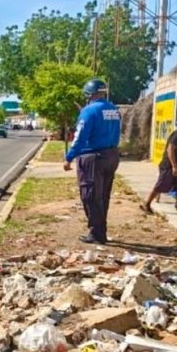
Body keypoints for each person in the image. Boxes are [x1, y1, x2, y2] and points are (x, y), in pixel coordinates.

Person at [63, 78, 121, 244]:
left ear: (89, 94)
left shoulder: (89, 111)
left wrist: (69, 158)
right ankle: (100, 229)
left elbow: (80, 137)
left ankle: (97, 233)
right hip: (111, 155)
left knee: (90, 195)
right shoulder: (114, 110)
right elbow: (117, 133)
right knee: (103, 195)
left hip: (93, 158)